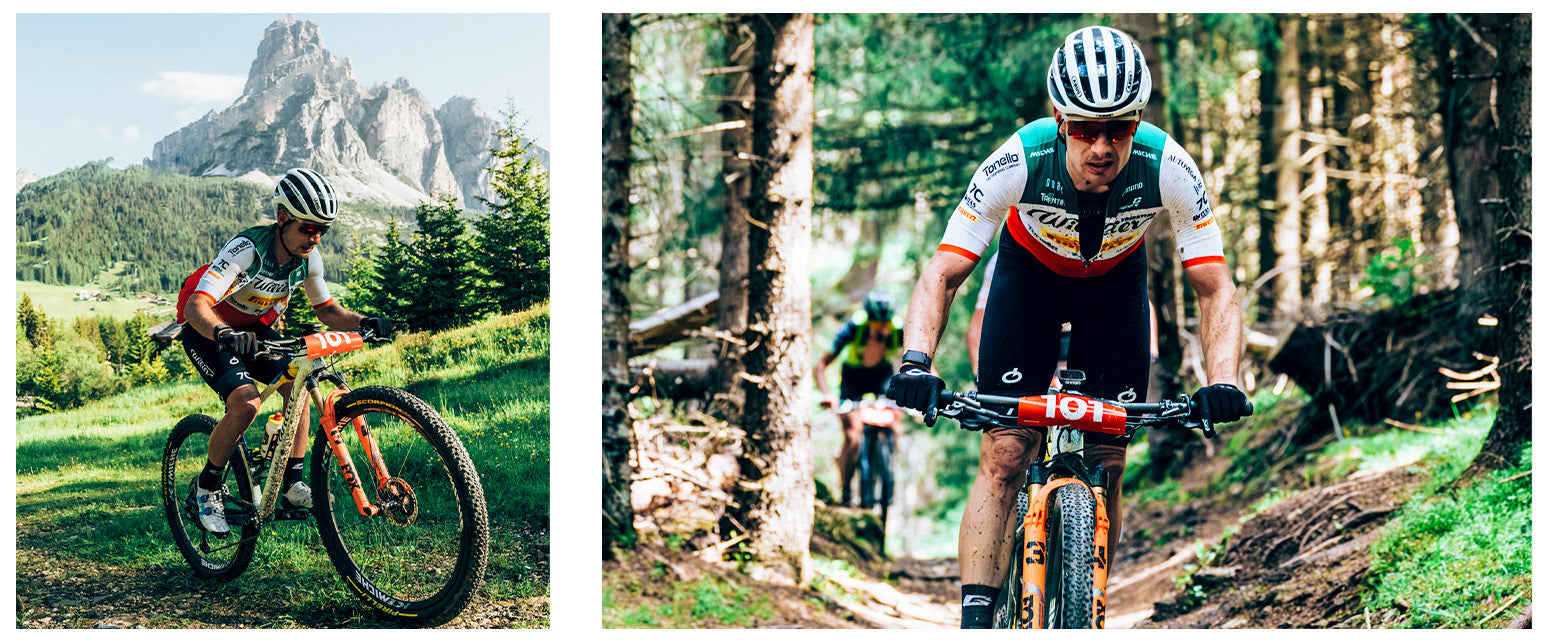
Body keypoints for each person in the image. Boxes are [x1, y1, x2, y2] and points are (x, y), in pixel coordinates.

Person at [885, 26, 1250, 628]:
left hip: (1115, 287)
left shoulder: (1169, 165)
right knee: (1006, 450)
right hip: (1028, 280)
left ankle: (1083, 598)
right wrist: (916, 361)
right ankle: (977, 617)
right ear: (1059, 119)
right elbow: (943, 273)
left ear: (1138, 123)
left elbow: (1215, 287)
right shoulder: (1020, 159)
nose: (1101, 147)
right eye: (1084, 129)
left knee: (1109, 454)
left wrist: (1225, 378)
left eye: (1119, 129)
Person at [177, 168, 393, 536]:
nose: (315, 237)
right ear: (282, 218)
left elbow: (326, 311)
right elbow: (196, 306)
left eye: (322, 230)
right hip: (208, 329)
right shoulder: (246, 250)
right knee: (246, 405)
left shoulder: (309, 260)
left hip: (255, 332)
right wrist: (224, 332)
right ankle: (206, 489)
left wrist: (364, 322)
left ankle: (293, 485)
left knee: (298, 383)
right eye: (307, 228)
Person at [814, 292, 904, 507]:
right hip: (853, 378)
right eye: (877, 324)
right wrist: (827, 394)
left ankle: (889, 464)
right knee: (853, 435)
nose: (882, 329)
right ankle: (845, 490)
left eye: (885, 323)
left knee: (894, 421)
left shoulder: (897, 329)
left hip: (881, 375)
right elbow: (821, 364)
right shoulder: (853, 328)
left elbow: (921, 360)